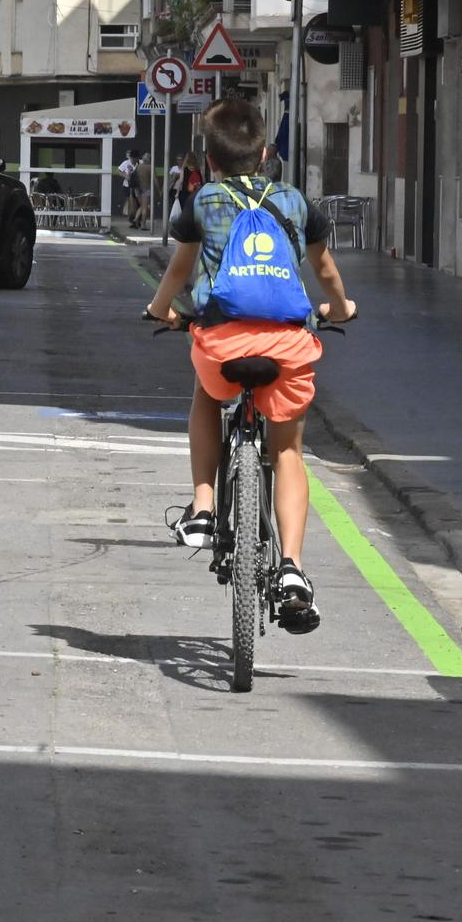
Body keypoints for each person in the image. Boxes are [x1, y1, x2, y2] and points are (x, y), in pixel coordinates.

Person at [144, 97, 357, 633]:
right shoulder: (294, 201)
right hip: (288, 344)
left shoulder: (201, 201)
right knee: (287, 449)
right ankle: (291, 568)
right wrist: (342, 307)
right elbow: (325, 270)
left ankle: (202, 505)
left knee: (205, 394)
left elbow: (178, 269)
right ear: (264, 153)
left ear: (207, 157)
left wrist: (160, 310)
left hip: (221, 344)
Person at [118, 149, 143, 228]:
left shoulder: (141, 163)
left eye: (134, 158)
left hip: (139, 186)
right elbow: (119, 171)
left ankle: (137, 220)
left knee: (140, 204)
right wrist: (126, 176)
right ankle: (133, 219)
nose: (133, 160)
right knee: (133, 205)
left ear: (138, 158)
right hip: (128, 186)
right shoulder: (126, 163)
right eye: (131, 158)